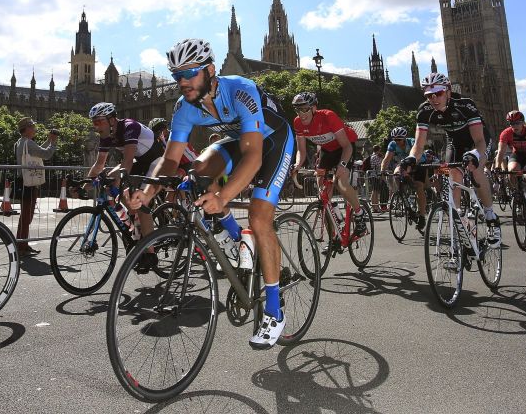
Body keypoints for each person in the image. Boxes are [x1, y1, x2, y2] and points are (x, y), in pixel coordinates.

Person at [128, 38, 295, 350]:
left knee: (260, 217)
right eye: (177, 75)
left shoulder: (240, 90)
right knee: (198, 170)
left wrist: (223, 197)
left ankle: (274, 310)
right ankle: (237, 235)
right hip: (235, 140)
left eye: (190, 73)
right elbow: (170, 159)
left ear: (210, 70)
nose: (183, 82)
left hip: (272, 141)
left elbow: (253, 156)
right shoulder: (184, 107)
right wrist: (147, 192)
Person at [402, 72, 500, 245]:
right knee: (453, 174)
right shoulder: (424, 111)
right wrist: (411, 158)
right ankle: (459, 222)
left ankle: (491, 215)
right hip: (454, 141)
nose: (434, 99)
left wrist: (476, 155)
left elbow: (479, 141)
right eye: (429, 95)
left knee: (476, 170)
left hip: (478, 140)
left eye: (438, 93)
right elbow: (418, 145)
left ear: (447, 91)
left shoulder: (465, 105)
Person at [88, 102, 165, 255]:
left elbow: (128, 161)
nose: (96, 127)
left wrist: (118, 182)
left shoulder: (130, 127)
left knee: (141, 203)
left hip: (156, 160)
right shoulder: (106, 135)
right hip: (140, 161)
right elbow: (99, 164)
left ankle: (150, 252)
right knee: (109, 181)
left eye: (98, 122)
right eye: (94, 123)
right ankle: (132, 221)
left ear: (111, 119)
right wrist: (87, 182)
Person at [291, 91, 366, 241]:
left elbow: (347, 147)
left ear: (314, 108)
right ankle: (334, 234)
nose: (301, 113)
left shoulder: (328, 116)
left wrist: (342, 165)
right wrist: (297, 165)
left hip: (344, 147)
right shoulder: (297, 122)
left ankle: (359, 214)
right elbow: (301, 151)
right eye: (298, 109)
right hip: (327, 150)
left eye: (305, 109)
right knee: (322, 193)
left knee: (341, 182)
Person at [495, 110, 526, 235]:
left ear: (523, 122)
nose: (514, 126)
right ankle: (518, 196)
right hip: (517, 155)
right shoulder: (506, 133)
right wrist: (497, 167)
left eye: (517, 123)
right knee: (511, 171)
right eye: (511, 123)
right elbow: (500, 152)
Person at [14, 117, 57, 257]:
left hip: (23, 181)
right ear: (26, 129)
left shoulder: (21, 142)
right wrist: (53, 142)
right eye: (32, 126)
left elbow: (37, 150)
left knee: (25, 216)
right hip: (29, 184)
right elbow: (46, 154)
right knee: (27, 216)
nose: (35, 129)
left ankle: (22, 244)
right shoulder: (28, 143)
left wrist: (49, 141)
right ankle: (21, 247)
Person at [382, 126, 429, 231]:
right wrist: (382, 171)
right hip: (404, 164)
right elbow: (386, 159)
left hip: (419, 163)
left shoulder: (412, 142)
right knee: (396, 173)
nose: (397, 141)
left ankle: (422, 216)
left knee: (419, 187)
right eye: (395, 139)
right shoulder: (393, 144)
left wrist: (409, 169)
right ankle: (402, 194)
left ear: (404, 138)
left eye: (399, 139)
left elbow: (417, 152)